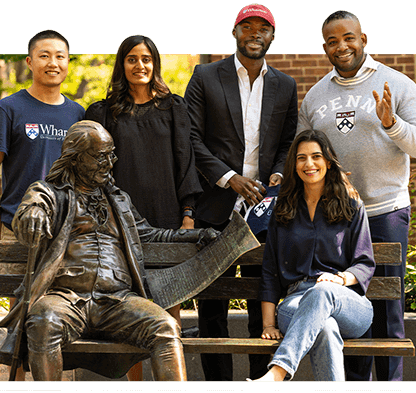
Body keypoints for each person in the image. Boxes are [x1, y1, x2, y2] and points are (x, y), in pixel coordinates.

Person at [0, 120, 219, 382]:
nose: (109, 163)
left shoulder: (119, 200)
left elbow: (150, 234)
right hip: (65, 298)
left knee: (165, 327)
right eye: (100, 157)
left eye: (111, 155)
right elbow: (31, 210)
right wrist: (33, 214)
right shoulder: (50, 193)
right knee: (43, 321)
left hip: (118, 301)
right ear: (75, 159)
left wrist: (197, 233)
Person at [299, 10, 416, 381]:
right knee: (349, 307)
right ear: (324, 46)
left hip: (385, 211)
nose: (341, 46)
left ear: (364, 39)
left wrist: (391, 123)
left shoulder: (398, 84)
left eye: (348, 37)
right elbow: (304, 154)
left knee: (388, 309)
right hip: (337, 217)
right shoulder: (315, 96)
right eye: (332, 40)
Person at [184, 3, 299, 380]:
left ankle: (258, 378)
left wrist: (281, 174)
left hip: (263, 211)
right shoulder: (205, 76)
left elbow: (286, 143)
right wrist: (229, 177)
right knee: (212, 308)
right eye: (246, 27)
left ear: (272, 37)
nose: (254, 34)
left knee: (260, 305)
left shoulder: (285, 85)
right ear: (234, 32)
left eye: (262, 29)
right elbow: (191, 138)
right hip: (214, 206)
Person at [83, 33, 202, 381]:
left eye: (146, 59)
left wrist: (188, 215)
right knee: (131, 316)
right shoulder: (103, 112)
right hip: (119, 228)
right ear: (122, 65)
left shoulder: (174, 108)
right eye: (132, 59)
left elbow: (186, 162)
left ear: (155, 63)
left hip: (168, 221)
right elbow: (94, 175)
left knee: (170, 310)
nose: (140, 66)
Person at [249, 130, 375, 382]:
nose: (309, 164)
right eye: (301, 158)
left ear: (328, 162)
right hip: (296, 302)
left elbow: (364, 262)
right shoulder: (283, 210)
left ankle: (277, 371)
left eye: (316, 156)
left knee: (322, 291)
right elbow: (271, 271)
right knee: (325, 328)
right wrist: (268, 325)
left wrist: (338, 280)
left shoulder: (351, 205)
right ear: (293, 165)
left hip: (347, 302)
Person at [0, 29, 85, 242]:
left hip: (65, 229)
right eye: (44, 56)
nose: (53, 63)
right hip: (16, 226)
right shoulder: (8, 108)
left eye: (60, 56)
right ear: (29, 62)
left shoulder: (78, 113)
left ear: (67, 62)